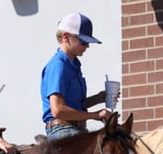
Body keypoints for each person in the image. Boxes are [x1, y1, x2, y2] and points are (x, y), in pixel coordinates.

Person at [40, 12, 117, 140]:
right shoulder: (58, 66)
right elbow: (58, 110)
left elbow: (75, 106)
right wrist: (95, 115)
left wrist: (98, 98)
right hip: (62, 131)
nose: (87, 46)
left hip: (75, 129)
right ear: (66, 37)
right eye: (83, 42)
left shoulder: (73, 65)